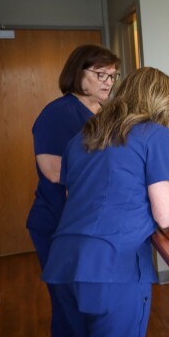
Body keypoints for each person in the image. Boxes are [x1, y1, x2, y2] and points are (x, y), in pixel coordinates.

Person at [41, 67, 169, 337]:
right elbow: (165, 214)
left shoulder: (83, 136)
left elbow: (73, 196)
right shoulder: (153, 135)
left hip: (63, 262)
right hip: (112, 268)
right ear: (159, 105)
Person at [27, 43, 121, 269]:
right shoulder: (58, 113)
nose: (108, 82)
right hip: (61, 222)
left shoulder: (105, 112)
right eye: (101, 75)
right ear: (78, 73)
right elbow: (53, 171)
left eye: (112, 76)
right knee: (69, 297)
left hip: (92, 220)